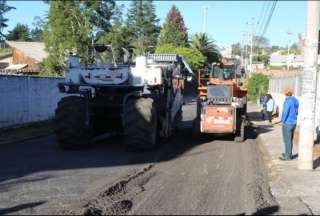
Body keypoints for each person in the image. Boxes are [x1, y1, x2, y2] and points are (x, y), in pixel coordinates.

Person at [279, 87, 299, 161]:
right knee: (290, 139)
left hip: (287, 123)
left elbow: (285, 112)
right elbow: (297, 112)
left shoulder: (288, 101)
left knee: (287, 140)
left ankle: (287, 157)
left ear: (286, 93)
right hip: (293, 122)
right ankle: (288, 153)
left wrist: (282, 121)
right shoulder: (295, 100)